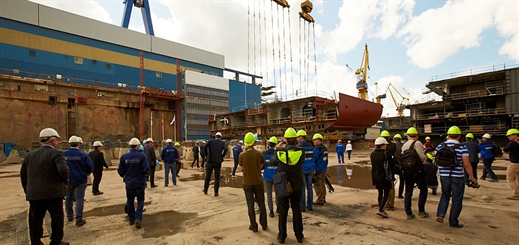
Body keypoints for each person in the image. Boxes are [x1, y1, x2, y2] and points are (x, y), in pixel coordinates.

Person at [20, 128, 70, 245]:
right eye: (57, 140)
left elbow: (23, 175)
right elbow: (63, 169)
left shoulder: (29, 156)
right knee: (56, 218)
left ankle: (36, 241)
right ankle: (56, 240)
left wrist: (28, 190)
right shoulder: (56, 154)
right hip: (53, 193)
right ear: (53, 141)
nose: (57, 143)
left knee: (35, 219)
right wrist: (64, 182)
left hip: (35, 194)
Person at [435, 126, 478, 228]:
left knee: (445, 194)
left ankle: (441, 214)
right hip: (458, 176)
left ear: (448, 135)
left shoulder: (440, 146)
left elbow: (437, 161)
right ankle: (453, 221)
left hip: (444, 176)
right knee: (457, 199)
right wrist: (472, 177)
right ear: (459, 136)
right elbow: (467, 164)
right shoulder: (462, 147)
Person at [270, 128, 304, 244]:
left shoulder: (280, 152)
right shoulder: (301, 151)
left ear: (286, 140)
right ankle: (299, 236)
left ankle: (282, 237)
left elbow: (272, 162)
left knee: (283, 211)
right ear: (295, 139)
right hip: (297, 185)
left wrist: (277, 149)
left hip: (283, 185)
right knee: (296, 210)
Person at [118, 138, 150, 228]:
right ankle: (138, 218)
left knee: (130, 201)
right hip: (140, 182)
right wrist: (145, 175)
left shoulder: (124, 157)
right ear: (137, 146)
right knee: (140, 200)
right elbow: (146, 169)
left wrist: (124, 176)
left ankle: (131, 218)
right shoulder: (142, 156)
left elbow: (120, 170)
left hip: (129, 182)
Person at [239, 132, 267, 232]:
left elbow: (242, 167)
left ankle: (253, 226)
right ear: (254, 143)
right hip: (258, 181)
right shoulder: (259, 154)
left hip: (247, 182)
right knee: (261, 203)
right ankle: (264, 224)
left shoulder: (242, 155)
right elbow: (261, 166)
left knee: (250, 204)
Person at [64, 136, 93, 227]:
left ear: (69, 144)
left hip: (68, 180)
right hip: (80, 179)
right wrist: (87, 173)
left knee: (68, 197)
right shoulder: (83, 154)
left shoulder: (63, 154)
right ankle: (78, 219)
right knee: (79, 198)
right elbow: (90, 166)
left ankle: (69, 216)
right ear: (79, 144)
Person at [401, 127, 429, 219]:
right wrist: (426, 159)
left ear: (407, 136)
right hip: (418, 171)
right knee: (423, 189)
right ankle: (421, 211)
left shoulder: (404, 145)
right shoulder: (418, 143)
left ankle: (408, 213)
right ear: (416, 136)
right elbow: (421, 156)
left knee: (408, 191)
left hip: (407, 171)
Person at [370, 137, 396, 218]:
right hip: (384, 176)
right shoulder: (386, 154)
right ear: (382, 145)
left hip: (375, 176)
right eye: (385, 145)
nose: (386, 146)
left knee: (380, 193)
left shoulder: (372, 154)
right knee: (386, 192)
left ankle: (380, 208)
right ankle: (380, 210)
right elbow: (392, 164)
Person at [203, 132, 228, 196]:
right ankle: (216, 192)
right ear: (221, 137)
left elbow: (204, 147)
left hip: (210, 160)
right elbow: (225, 149)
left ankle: (205, 190)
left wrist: (207, 155)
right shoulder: (222, 143)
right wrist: (222, 156)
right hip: (217, 161)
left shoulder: (210, 141)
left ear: (215, 136)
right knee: (217, 177)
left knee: (208, 176)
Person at [296, 130, 315, 212]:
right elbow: (312, 158)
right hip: (310, 169)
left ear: (301, 137)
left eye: (297, 137)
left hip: (302, 169)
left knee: (302, 188)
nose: (297, 139)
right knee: (310, 188)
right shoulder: (311, 146)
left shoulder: (299, 146)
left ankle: (302, 206)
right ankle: (310, 206)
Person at [380, 130, 396, 210]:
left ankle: (387, 203)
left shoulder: (382, 148)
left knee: (385, 188)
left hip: (383, 170)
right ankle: (391, 203)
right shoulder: (393, 146)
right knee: (391, 187)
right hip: (390, 170)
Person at [263, 136, 279, 217]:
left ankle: (271, 211)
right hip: (276, 176)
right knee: (277, 193)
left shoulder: (264, 153)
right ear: (275, 144)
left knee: (269, 194)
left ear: (269, 144)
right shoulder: (278, 153)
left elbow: (262, 165)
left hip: (267, 176)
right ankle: (278, 208)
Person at [312, 133, 329, 206]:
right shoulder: (325, 148)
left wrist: (313, 169)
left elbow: (314, 159)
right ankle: (323, 198)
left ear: (318, 140)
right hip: (323, 169)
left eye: (314, 140)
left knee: (317, 185)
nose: (313, 142)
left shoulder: (317, 149)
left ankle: (320, 200)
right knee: (322, 184)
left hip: (318, 169)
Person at [503, 128, 519, 200]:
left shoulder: (512, 143)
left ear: (514, 135)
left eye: (509, 136)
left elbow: (505, 150)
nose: (508, 137)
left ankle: (516, 193)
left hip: (514, 163)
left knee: (510, 179)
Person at [393, 134, 405, 199]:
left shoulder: (392, 146)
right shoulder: (403, 146)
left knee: (391, 180)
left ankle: (390, 194)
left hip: (394, 165)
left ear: (394, 139)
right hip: (402, 165)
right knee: (402, 181)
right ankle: (400, 194)